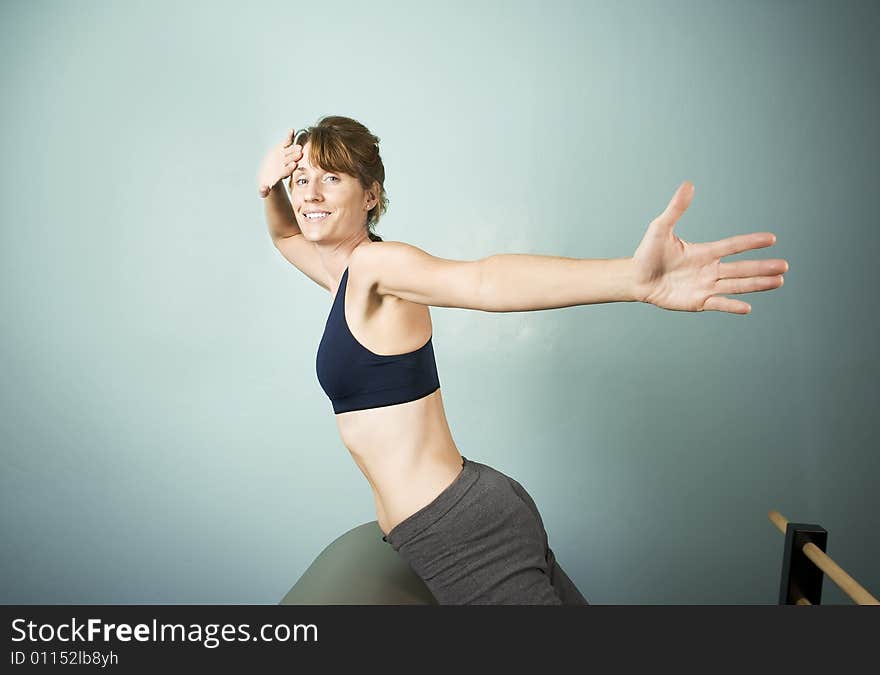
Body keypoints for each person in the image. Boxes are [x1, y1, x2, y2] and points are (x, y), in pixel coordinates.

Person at [257, 115, 789, 605]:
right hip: (465, 508)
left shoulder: (379, 266)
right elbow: (284, 234)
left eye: (332, 179)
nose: (310, 194)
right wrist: (268, 188)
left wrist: (633, 278)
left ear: (370, 195)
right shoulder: (342, 275)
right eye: (302, 180)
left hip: (458, 530)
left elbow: (484, 280)